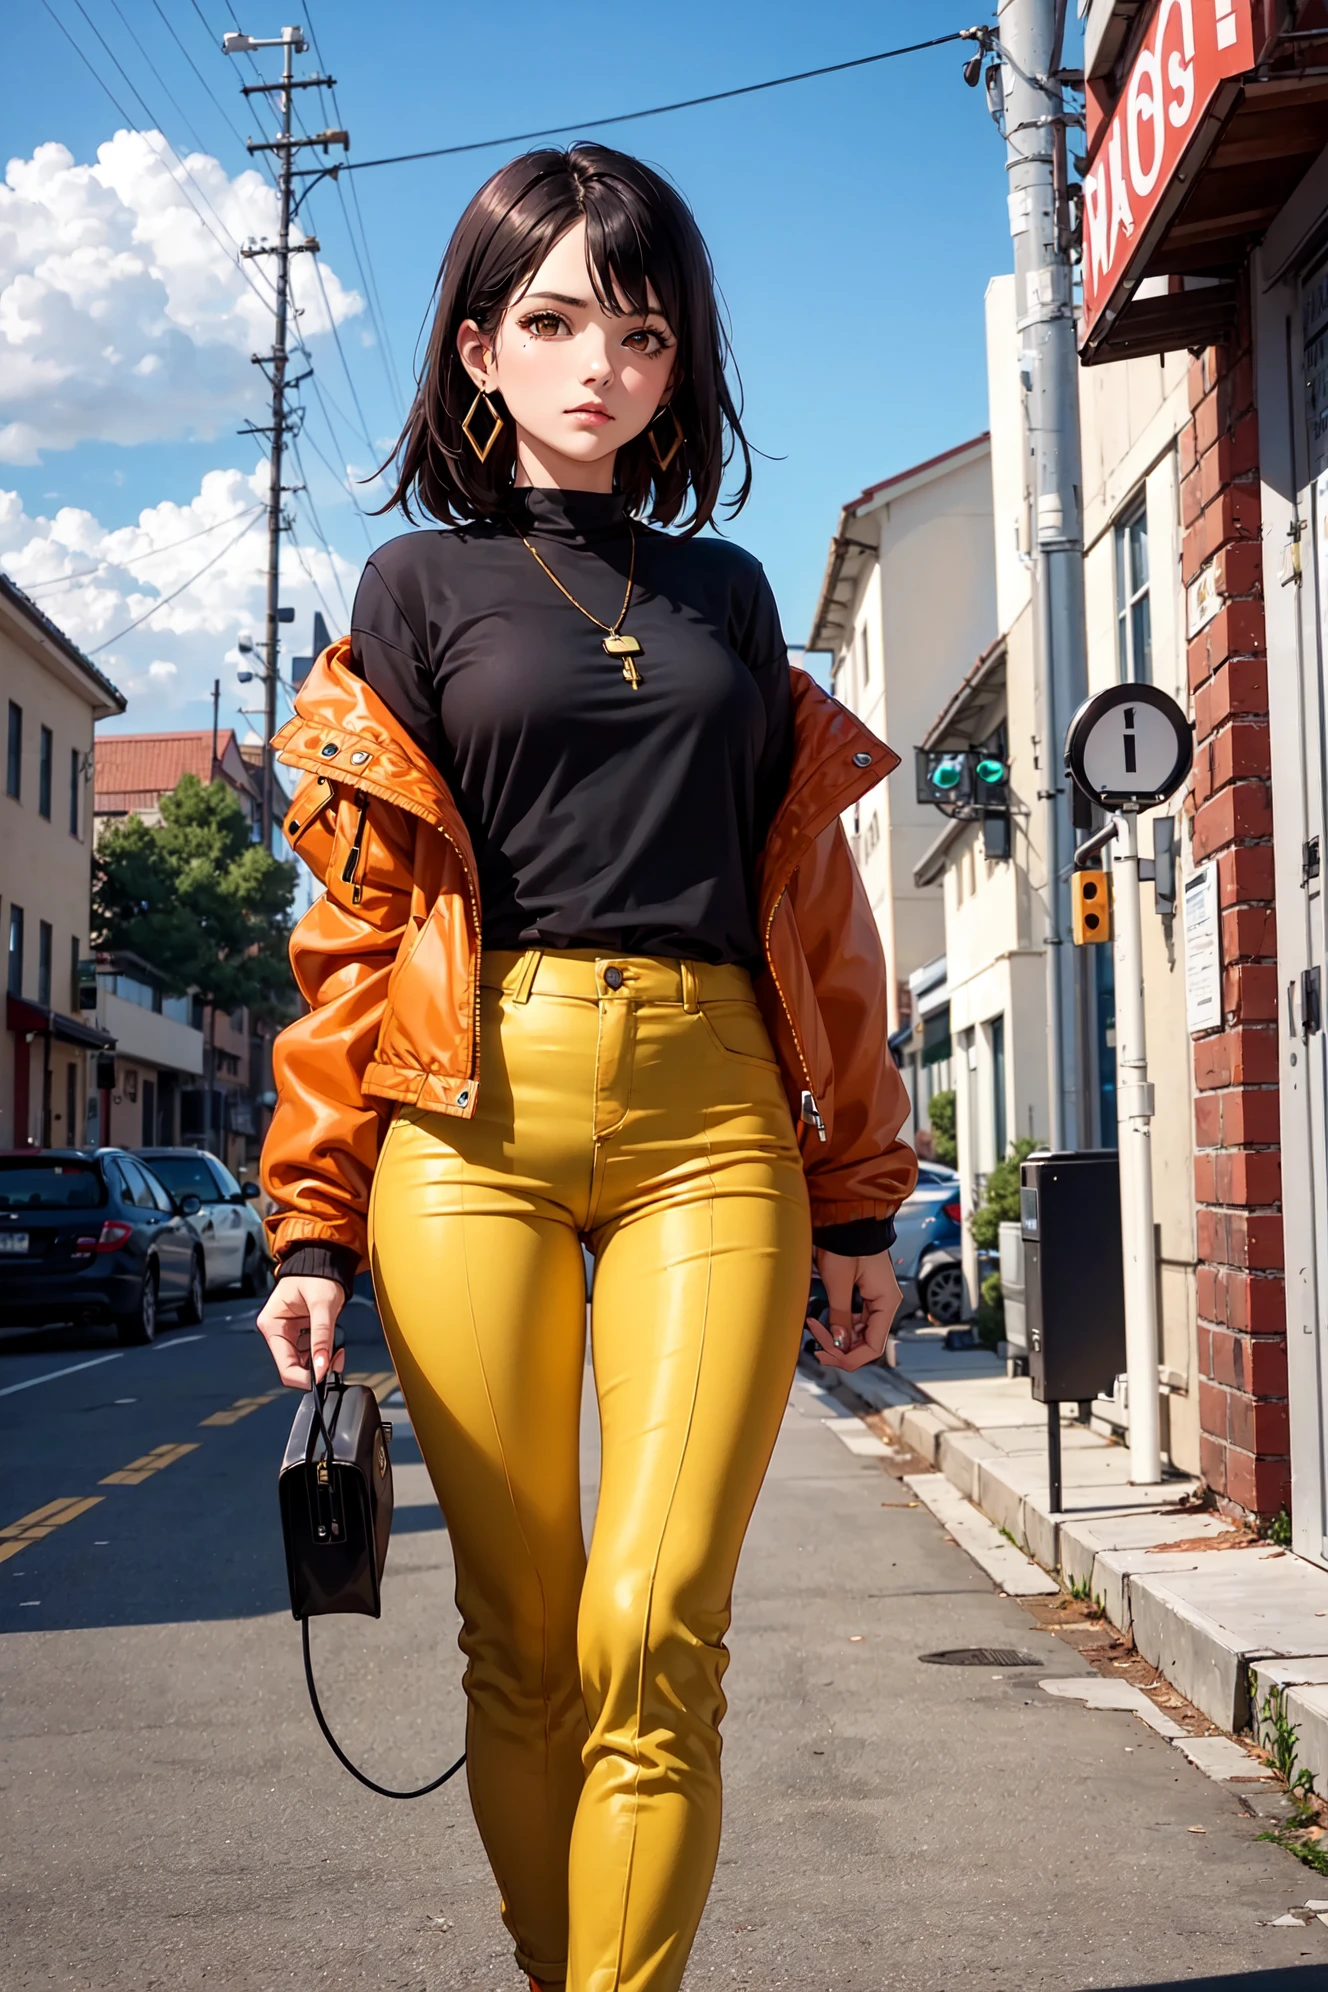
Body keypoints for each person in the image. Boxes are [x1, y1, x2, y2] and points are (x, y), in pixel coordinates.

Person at [256, 142, 916, 1992]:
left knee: (653, 1624)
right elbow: (353, 941)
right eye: (551, 321)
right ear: (476, 345)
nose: (597, 366)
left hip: (715, 1120)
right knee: (524, 1632)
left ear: (678, 359)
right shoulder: (408, 592)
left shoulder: (730, 595)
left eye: (639, 330)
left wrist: (863, 1194)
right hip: (467, 1123)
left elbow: (816, 909)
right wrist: (312, 1224)